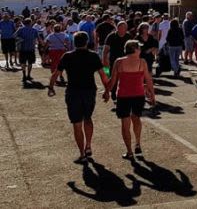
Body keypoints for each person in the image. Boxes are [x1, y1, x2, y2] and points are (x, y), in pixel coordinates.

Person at [47, 32, 109, 164]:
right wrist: (107, 91)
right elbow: (103, 75)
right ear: (86, 42)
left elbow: (56, 74)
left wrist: (51, 87)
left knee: (76, 123)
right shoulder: (93, 55)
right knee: (88, 118)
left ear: (74, 43)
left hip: (73, 92)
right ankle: (88, 145)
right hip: (89, 91)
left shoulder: (67, 56)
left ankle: (82, 153)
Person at [105, 40, 155, 160]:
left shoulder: (119, 62)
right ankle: (137, 143)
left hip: (123, 95)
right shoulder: (142, 62)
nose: (140, 50)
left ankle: (129, 151)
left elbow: (113, 80)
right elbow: (148, 79)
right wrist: (152, 94)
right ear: (135, 49)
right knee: (136, 118)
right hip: (138, 95)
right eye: (139, 48)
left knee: (125, 123)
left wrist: (107, 91)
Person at [14, 18, 40, 83]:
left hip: (23, 49)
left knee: (23, 63)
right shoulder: (34, 30)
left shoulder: (21, 29)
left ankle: (24, 75)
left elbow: (14, 36)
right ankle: (28, 75)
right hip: (31, 48)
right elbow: (38, 38)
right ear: (30, 23)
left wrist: (20, 39)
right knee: (30, 63)